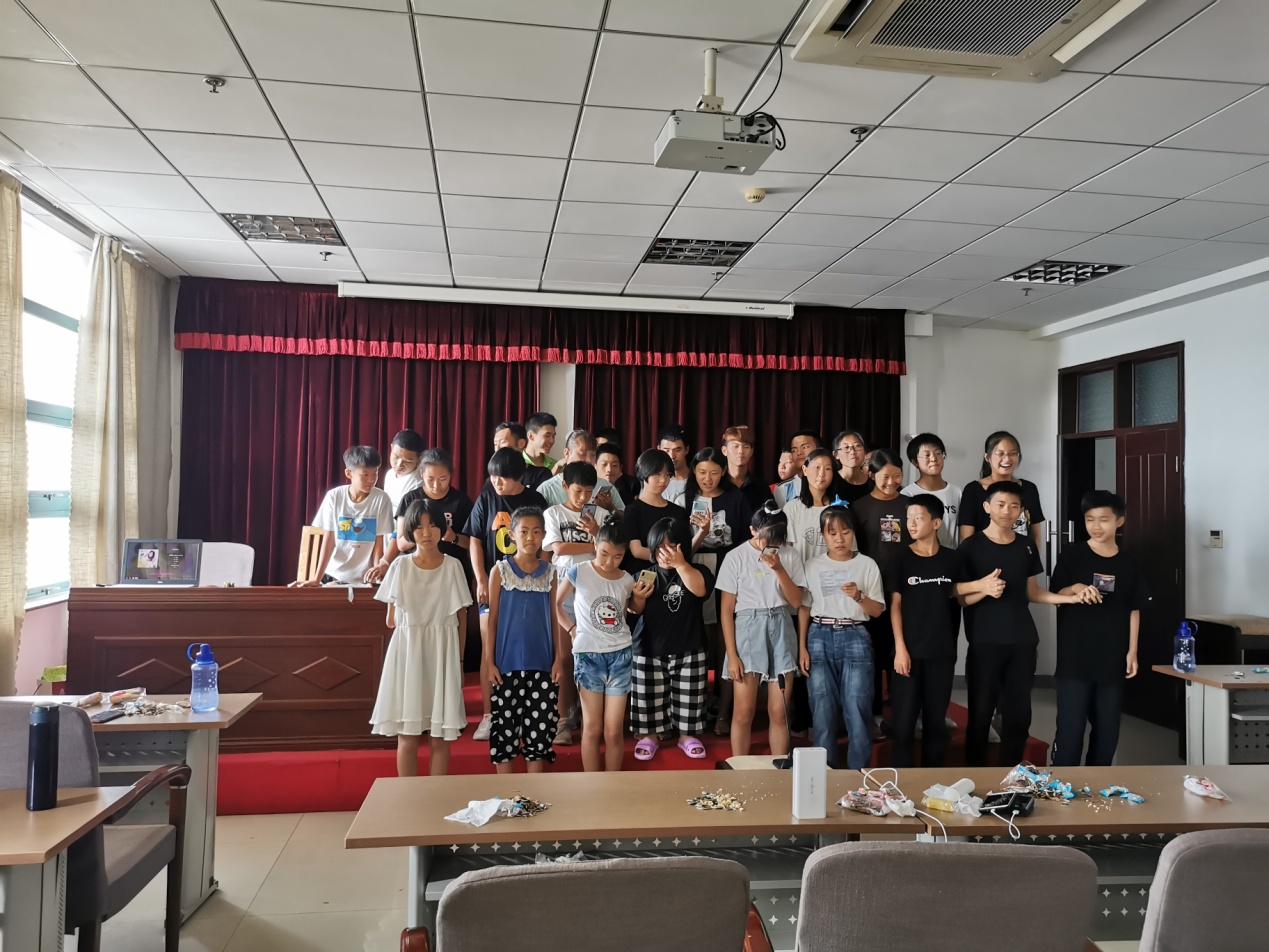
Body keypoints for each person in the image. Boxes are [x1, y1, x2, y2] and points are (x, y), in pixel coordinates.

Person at [955, 481, 1089, 767]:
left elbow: (1033, 592)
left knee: (1018, 717)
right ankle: (977, 777)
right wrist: (984, 589)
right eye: (1001, 504)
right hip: (985, 642)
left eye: (1014, 506)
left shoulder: (1026, 546)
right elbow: (960, 597)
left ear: (1021, 512)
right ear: (987, 507)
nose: (1007, 511)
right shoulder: (970, 546)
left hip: (1023, 642)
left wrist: (1069, 599)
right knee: (980, 716)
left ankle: (1012, 777)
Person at [1050, 490, 1149, 766]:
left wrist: (1132, 651)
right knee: (1070, 731)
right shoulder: (1072, 554)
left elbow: (1134, 608)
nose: (1096, 526)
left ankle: (1098, 785)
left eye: (1103, 520)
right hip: (1075, 656)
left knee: (1107, 732)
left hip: (1112, 657)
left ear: (1119, 521)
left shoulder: (1130, 563)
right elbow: (1056, 592)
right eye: (1090, 519)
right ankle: (1062, 782)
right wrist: (1076, 587)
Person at [371, 502, 471, 777]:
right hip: (409, 656)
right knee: (408, 736)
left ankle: (433, 796)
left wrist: (460, 662)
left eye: (433, 525)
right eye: (418, 527)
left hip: (438, 654)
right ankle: (409, 797)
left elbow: (461, 618)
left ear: (443, 528)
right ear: (409, 532)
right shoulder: (400, 566)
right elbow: (391, 621)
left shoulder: (453, 566)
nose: (426, 533)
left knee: (437, 737)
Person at [463, 448, 549, 742]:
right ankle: (490, 715)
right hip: (493, 584)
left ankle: (523, 713)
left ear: (519, 477)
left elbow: (545, 543)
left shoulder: (536, 501)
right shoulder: (487, 496)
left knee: (526, 648)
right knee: (490, 647)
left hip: (529, 587)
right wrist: (480, 579)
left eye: (502, 478)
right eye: (493, 476)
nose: (496, 482)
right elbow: (475, 539)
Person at [556, 517, 654, 771]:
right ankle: (593, 785)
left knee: (613, 731)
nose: (609, 561)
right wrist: (571, 629)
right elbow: (555, 604)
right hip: (588, 655)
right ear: (595, 545)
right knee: (592, 728)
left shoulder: (626, 579)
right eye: (604, 554)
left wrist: (640, 597)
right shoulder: (579, 571)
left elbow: (633, 609)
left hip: (620, 654)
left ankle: (612, 784)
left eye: (617, 557)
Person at [716, 502, 808, 758]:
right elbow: (726, 611)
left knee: (779, 712)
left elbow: (797, 601)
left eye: (778, 539)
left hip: (781, 624)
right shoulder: (736, 556)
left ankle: (779, 768)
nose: (772, 545)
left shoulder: (789, 555)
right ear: (752, 530)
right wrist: (732, 656)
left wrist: (778, 568)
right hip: (748, 626)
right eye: (766, 539)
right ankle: (740, 770)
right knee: (743, 712)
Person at [797, 506, 884, 770]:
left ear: (853, 532)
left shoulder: (866, 564)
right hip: (818, 635)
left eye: (845, 532)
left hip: (855, 634)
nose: (839, 539)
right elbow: (804, 607)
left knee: (857, 707)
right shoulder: (812, 565)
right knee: (821, 708)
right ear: (823, 535)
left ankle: (859, 774)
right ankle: (825, 772)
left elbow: (877, 610)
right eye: (832, 533)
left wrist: (858, 596)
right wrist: (802, 647)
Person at [484, 507, 563, 774]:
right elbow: (492, 620)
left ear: (543, 535)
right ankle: (506, 793)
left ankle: (533, 794)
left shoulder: (551, 572)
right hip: (506, 667)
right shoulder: (500, 571)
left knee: (538, 736)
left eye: (537, 532)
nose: (530, 537)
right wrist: (489, 663)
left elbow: (554, 618)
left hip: (543, 666)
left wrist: (558, 660)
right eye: (524, 531)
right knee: (504, 735)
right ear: (512, 535)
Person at [630, 517, 713, 762]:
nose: (665, 553)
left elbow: (700, 590)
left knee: (690, 696)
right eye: (659, 547)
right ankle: (649, 735)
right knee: (648, 696)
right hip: (648, 648)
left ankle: (687, 736)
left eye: (672, 546)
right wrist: (638, 598)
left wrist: (681, 564)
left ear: (683, 546)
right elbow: (634, 610)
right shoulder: (645, 574)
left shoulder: (697, 571)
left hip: (689, 646)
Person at [886, 494, 960, 768]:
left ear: (936, 523)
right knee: (903, 725)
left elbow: (961, 595)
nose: (911, 523)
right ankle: (901, 785)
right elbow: (895, 605)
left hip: (942, 653)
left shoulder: (952, 559)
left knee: (936, 725)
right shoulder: (900, 558)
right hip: (908, 654)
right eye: (909, 518)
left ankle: (933, 783)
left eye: (918, 517)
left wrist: (987, 586)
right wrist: (900, 649)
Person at [543, 460, 610, 746]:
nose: (583, 497)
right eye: (577, 490)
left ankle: (589, 716)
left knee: (591, 656)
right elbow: (558, 548)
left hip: (594, 591)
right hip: (562, 591)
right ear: (565, 486)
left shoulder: (602, 515)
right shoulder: (553, 513)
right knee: (564, 657)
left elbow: (610, 552)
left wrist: (597, 532)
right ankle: (563, 718)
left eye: (588, 491)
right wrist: (595, 544)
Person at [851, 449, 913, 736]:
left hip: (905, 590)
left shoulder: (910, 505)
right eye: (885, 476)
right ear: (870, 474)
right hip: (871, 593)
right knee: (872, 655)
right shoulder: (859, 507)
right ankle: (874, 715)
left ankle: (904, 714)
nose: (891, 482)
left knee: (901, 653)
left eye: (897, 476)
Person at [293, 445, 395, 587]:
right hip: (334, 576)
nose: (371, 479)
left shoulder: (382, 499)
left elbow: (379, 543)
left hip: (364, 580)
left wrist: (376, 578)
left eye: (375, 473)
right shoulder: (334, 497)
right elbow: (329, 539)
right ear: (349, 473)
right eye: (365, 475)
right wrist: (316, 579)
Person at [368, 447, 471, 582]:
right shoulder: (410, 499)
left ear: (451, 475)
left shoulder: (462, 501)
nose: (436, 485)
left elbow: (472, 543)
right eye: (430, 479)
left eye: (443, 479)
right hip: (416, 571)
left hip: (452, 573)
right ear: (421, 473)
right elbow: (401, 543)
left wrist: (454, 537)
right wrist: (424, 535)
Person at [959, 431, 1045, 551]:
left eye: (1013, 453)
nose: (1007, 459)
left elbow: (1035, 535)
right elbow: (966, 538)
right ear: (987, 457)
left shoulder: (1029, 489)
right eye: (1000, 454)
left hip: (1020, 558)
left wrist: (1032, 559)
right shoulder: (973, 490)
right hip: (984, 558)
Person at [620, 448, 689, 575]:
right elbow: (637, 551)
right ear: (644, 473)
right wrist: (668, 557)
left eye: (667, 475)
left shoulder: (678, 512)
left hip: (672, 576)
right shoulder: (633, 510)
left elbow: (685, 550)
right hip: (641, 574)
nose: (663, 480)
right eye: (657, 474)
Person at [783, 448, 850, 566]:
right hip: (800, 575)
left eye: (828, 469)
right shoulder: (792, 508)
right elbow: (787, 551)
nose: (822, 474)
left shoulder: (840, 509)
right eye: (817, 467)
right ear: (805, 470)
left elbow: (849, 551)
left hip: (833, 574)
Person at [538, 429, 624, 511]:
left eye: (593, 455)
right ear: (567, 453)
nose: (589, 460)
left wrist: (610, 508)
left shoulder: (605, 486)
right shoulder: (548, 489)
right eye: (583, 454)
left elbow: (624, 517)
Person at [901, 433, 960, 549]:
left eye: (938, 453)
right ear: (914, 462)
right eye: (926, 455)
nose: (933, 458)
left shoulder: (956, 492)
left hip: (953, 555)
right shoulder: (908, 494)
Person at [721, 425, 773, 512]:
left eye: (746, 447)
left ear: (751, 451)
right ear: (724, 451)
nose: (741, 451)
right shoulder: (718, 484)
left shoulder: (761, 487)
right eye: (735, 446)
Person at [773, 430, 820, 508]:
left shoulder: (830, 482)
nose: (799, 452)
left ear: (819, 449)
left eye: (805, 447)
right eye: (794, 450)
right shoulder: (783, 489)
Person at [382, 429, 424, 513]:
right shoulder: (390, 474)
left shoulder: (418, 483)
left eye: (408, 461)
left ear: (419, 459)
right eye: (396, 456)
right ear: (391, 448)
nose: (399, 464)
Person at [832, 429, 873, 504]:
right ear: (836, 454)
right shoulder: (831, 481)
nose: (852, 452)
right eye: (846, 447)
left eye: (857, 446)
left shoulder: (872, 483)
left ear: (865, 452)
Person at [597, 443, 641, 507]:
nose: (609, 470)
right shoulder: (589, 486)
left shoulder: (633, 486)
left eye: (614, 465)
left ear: (620, 468)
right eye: (604, 464)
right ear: (595, 466)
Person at [658, 424, 692, 506]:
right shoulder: (652, 481)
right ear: (659, 449)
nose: (672, 456)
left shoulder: (699, 481)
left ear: (686, 449)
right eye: (667, 450)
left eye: (677, 450)